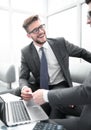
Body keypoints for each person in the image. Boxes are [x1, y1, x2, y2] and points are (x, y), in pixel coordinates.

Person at [18, 8, 91, 119]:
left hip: (59, 85)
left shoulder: (60, 43)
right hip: (40, 86)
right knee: (17, 91)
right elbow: (23, 77)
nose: (41, 31)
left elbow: (83, 53)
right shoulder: (26, 52)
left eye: (41, 26)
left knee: (54, 106)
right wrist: (24, 88)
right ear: (29, 35)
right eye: (35, 30)